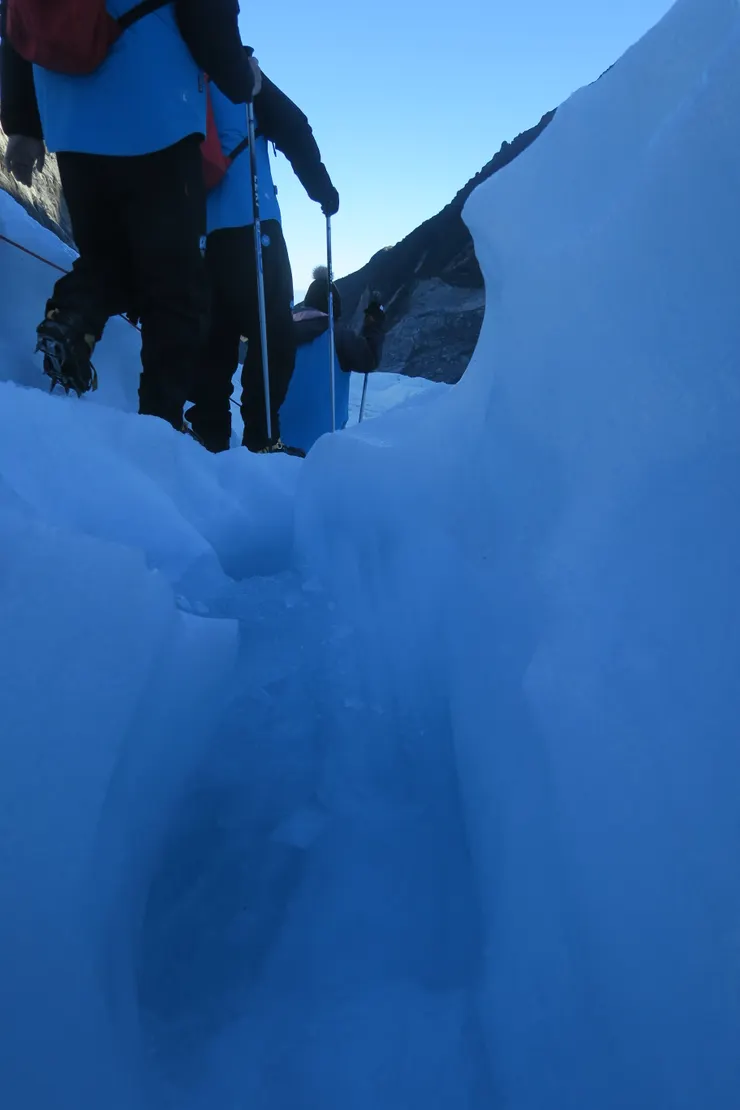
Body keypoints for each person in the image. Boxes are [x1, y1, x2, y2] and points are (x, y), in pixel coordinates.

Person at [0, 0, 260, 431]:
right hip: (154, 108)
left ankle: (71, 319)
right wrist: (239, 75)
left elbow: (16, 17)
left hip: (69, 115)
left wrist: (24, 123)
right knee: (176, 285)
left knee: (105, 257)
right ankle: (159, 428)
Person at [185, 62, 340, 453]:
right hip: (252, 222)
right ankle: (262, 439)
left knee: (213, 337)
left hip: (193, 232)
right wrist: (321, 187)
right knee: (272, 336)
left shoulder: (171, 66)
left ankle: (209, 435)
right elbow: (294, 126)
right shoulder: (234, 66)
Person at [278, 267, 386, 456]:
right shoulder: (338, 336)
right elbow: (370, 359)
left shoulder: (281, 334)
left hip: (278, 443)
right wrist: (374, 325)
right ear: (334, 307)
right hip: (321, 448)